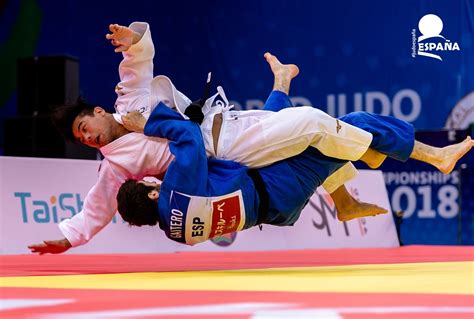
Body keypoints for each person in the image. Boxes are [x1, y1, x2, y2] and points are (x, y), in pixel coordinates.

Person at [28, 22, 473, 254]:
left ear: (98, 111)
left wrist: (133, 39)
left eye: (83, 126)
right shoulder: (116, 166)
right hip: (216, 153)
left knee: (301, 136)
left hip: (224, 127)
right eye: (79, 138)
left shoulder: (130, 96)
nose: (85, 137)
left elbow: (139, 58)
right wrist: (68, 238)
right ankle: (430, 155)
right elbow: (98, 207)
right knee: (315, 126)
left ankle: (286, 90)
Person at [116, 100, 472, 245]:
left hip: (273, 207)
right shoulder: (175, 190)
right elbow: (190, 138)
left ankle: (349, 188)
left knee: (290, 133)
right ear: (150, 192)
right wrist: (148, 125)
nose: (154, 179)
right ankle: (435, 156)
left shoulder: (175, 234)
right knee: (351, 125)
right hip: (274, 185)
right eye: (149, 182)